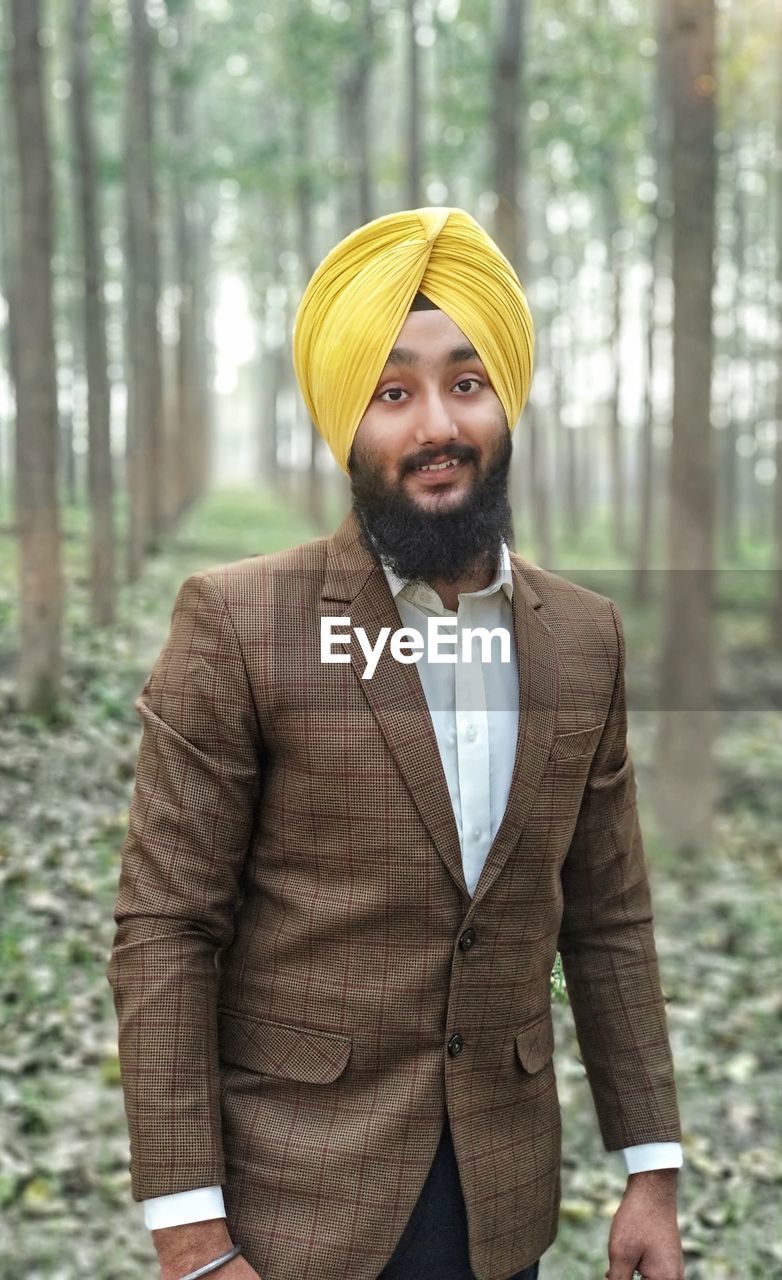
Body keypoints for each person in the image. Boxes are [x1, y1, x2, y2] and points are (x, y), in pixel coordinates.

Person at [107, 207, 684, 1280]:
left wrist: (648, 1167)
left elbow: (606, 916)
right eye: (391, 391)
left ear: (505, 399)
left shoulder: (582, 639)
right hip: (295, 1207)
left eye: (466, 383)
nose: (436, 424)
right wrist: (190, 1235)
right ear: (347, 420)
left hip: (505, 1204)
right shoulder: (239, 622)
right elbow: (167, 928)